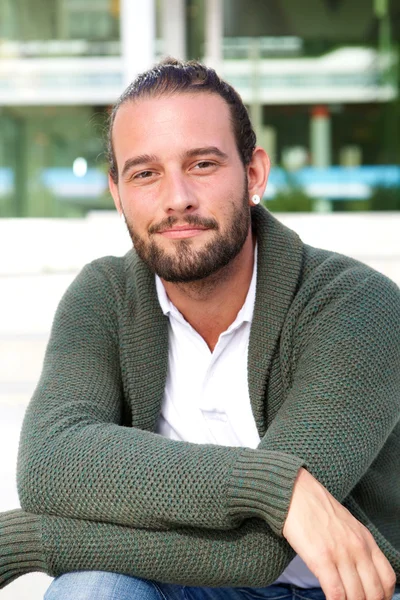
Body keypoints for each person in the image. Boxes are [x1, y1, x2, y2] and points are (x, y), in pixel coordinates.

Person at [0, 58, 399, 600]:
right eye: (145, 173)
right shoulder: (105, 296)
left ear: (253, 173)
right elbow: (50, 461)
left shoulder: (356, 304)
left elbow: (260, 549)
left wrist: (32, 539)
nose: (177, 198)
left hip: (347, 590)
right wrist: (281, 491)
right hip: (188, 587)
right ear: (118, 194)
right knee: (91, 590)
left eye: (203, 164)